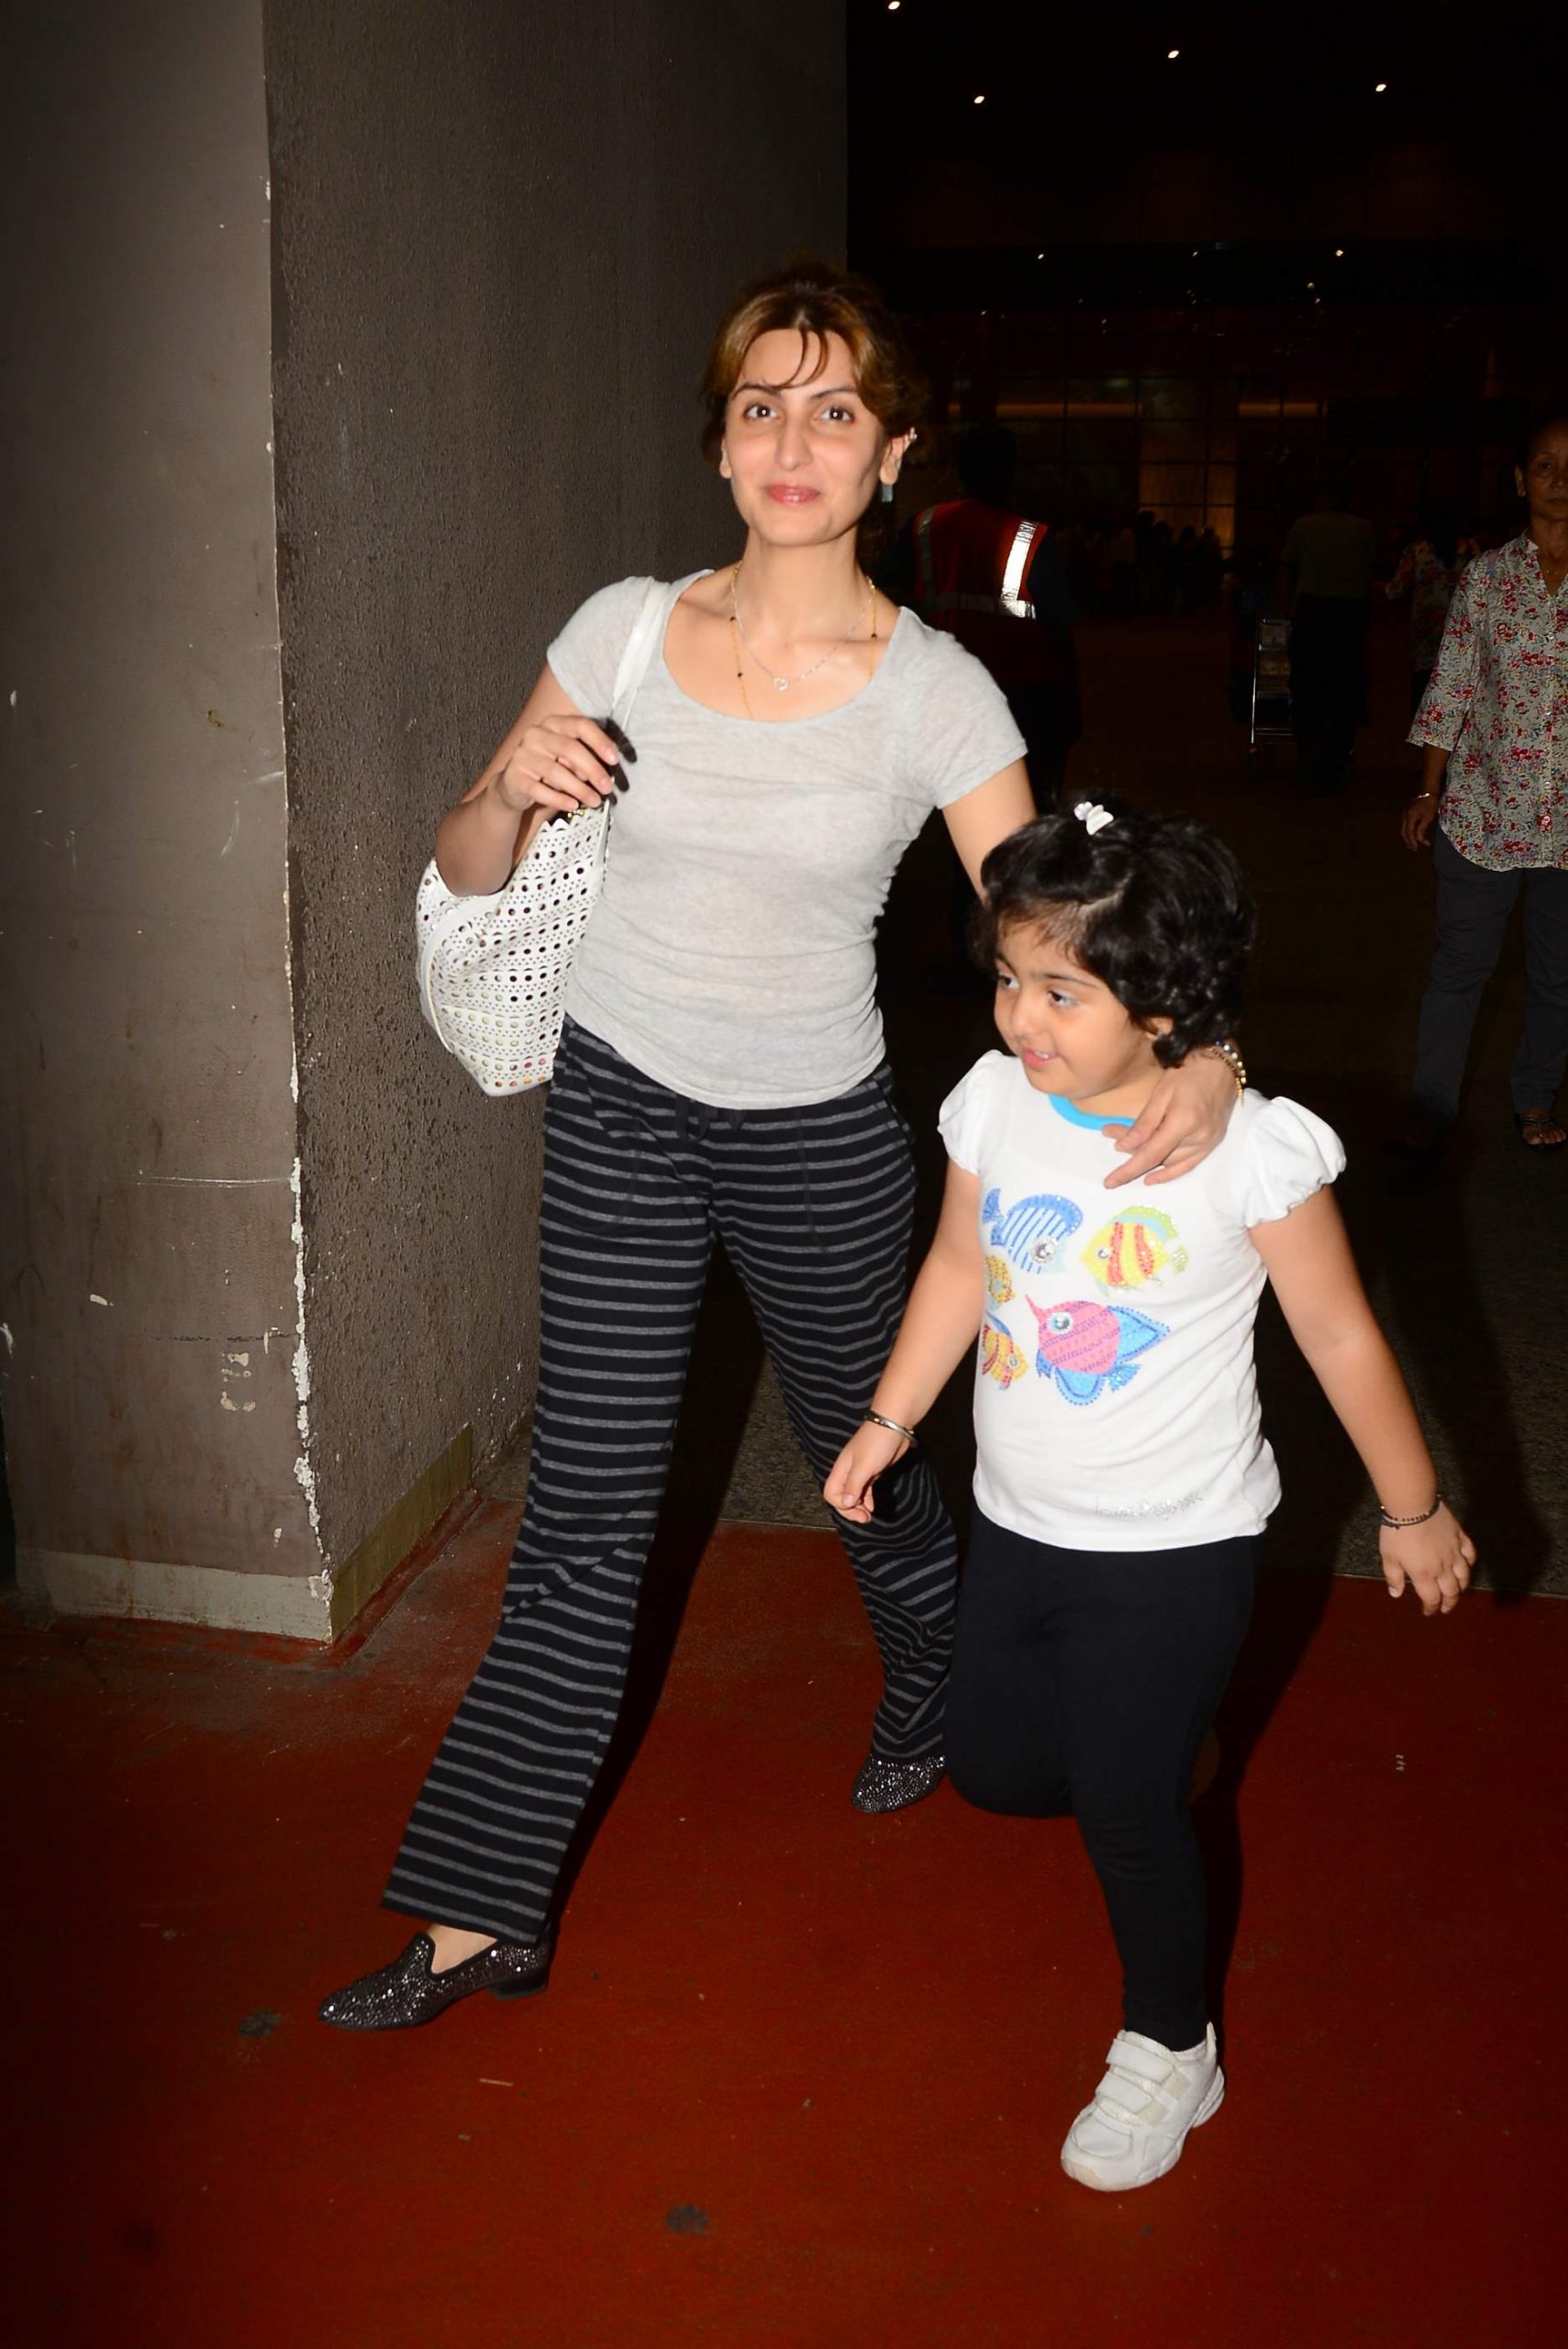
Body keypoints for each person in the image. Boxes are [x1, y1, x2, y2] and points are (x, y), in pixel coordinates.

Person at [318, 262, 1239, 2032]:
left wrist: (1198, 1051)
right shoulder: (617, 628)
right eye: (760, 405)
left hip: (818, 1130)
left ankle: (921, 1678)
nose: (791, 440)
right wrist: (508, 782)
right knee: (586, 1518)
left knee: (868, 1459)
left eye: (832, 409)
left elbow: (1056, 927)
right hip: (616, 1103)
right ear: (721, 444)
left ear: (888, 451)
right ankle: (470, 1911)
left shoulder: (937, 695)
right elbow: (467, 861)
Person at [825, 797, 1473, 2192]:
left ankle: (1171, 2048)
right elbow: (955, 1270)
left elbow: (1342, 1333)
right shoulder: (994, 1105)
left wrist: (1412, 1507)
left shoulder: (1250, 1147)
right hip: (1016, 1520)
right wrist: (890, 1417)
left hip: (1180, 1545)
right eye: (1008, 977)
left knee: (1120, 1810)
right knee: (995, 1771)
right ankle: (1166, 1753)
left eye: (1061, 988)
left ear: (1165, 1000)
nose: (1021, 1016)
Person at [1397, 411, 1568, 1154]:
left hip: (1565, 826)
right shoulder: (1487, 579)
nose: (1559, 483)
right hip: (1482, 808)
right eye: (1544, 466)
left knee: (1557, 978)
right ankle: (1431, 1109)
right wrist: (1428, 791)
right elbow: (1453, 686)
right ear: (1518, 479)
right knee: (1460, 968)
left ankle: (1533, 1099)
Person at [881, 421, 1081, 803]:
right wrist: (1070, 708)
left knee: (958, 804)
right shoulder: (1032, 537)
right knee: (1026, 807)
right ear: (1010, 473)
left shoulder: (924, 527)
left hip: (946, 695)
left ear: (959, 471)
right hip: (1026, 700)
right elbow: (1058, 630)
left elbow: (883, 594)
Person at [1279, 480, 1375, 794]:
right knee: (1343, 689)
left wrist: (1287, 608)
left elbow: (1285, 570)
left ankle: (1307, 759)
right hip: (1349, 613)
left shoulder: (1304, 526)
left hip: (1313, 611)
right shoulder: (1363, 529)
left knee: (1307, 687)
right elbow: (1370, 573)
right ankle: (1335, 762)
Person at [1385, 500, 1478, 714]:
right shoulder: (1471, 550)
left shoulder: (1417, 552)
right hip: (1461, 631)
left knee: (1423, 690)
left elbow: (1395, 590)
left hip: (1425, 631)